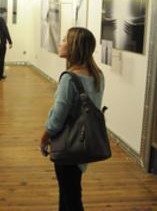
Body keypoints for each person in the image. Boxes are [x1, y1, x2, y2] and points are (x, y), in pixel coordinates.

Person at [40, 27, 105, 211]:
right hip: (85, 142)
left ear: (74, 47)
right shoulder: (98, 75)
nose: (60, 43)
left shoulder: (69, 79)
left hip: (68, 145)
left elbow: (57, 119)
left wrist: (44, 137)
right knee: (70, 191)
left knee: (71, 196)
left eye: (64, 40)